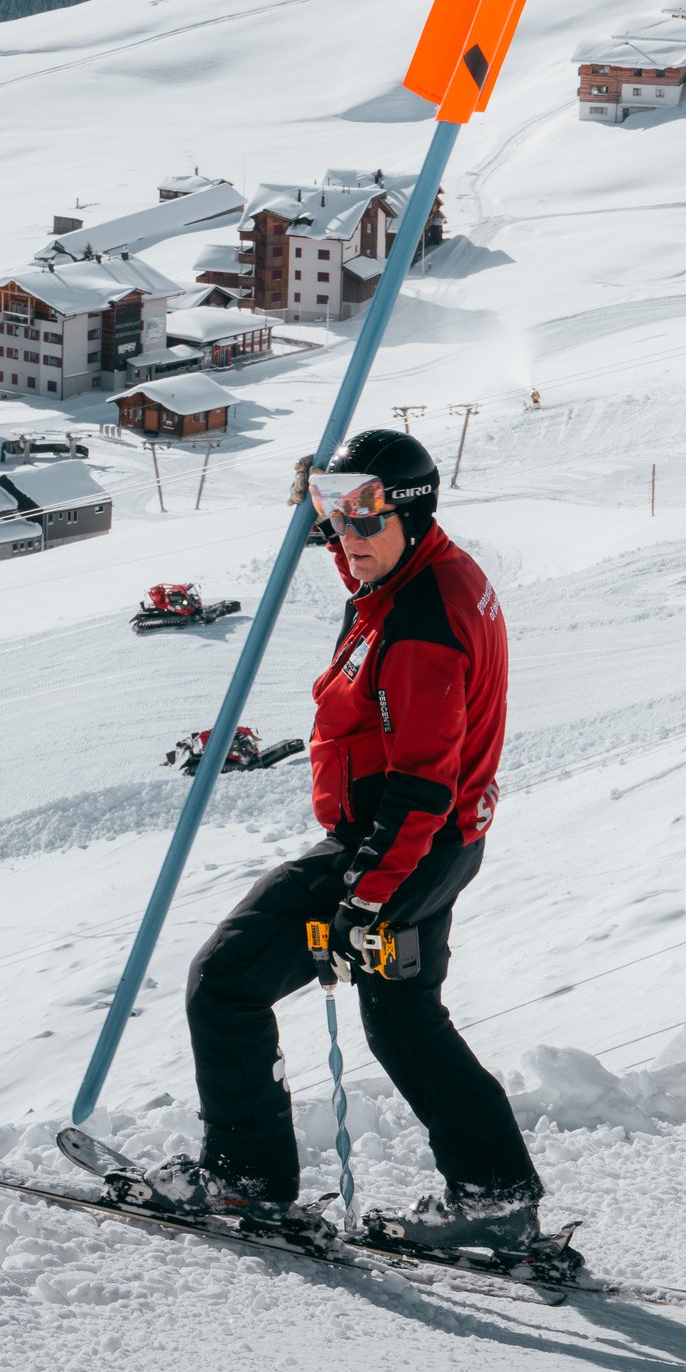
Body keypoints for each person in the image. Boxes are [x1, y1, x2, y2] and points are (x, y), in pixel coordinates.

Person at [149, 428, 543, 1249]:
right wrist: (327, 511)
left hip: (396, 845)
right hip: (439, 846)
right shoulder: (423, 574)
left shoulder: (421, 631)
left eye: (363, 515)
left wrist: (364, 894)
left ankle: (247, 1181)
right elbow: (366, 564)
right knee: (403, 1016)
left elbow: (421, 781)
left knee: (224, 981)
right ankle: (494, 1193)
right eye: (335, 514)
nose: (346, 536)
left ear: (411, 510)